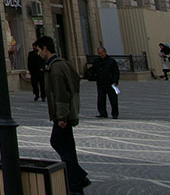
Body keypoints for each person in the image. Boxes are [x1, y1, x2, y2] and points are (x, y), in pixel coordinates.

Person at [35, 36, 89, 195]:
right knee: (68, 148)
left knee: (58, 142)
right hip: (68, 112)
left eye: (38, 50)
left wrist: (62, 117)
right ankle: (77, 180)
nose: (37, 54)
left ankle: (76, 181)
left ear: (45, 48)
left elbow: (60, 94)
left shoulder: (55, 68)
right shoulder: (64, 64)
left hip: (63, 116)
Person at [85, 45, 119, 119]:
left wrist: (115, 81)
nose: (101, 55)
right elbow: (93, 70)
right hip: (100, 83)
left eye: (102, 53)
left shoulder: (111, 61)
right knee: (101, 99)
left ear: (105, 52)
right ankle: (102, 113)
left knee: (113, 100)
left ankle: (115, 114)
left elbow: (116, 72)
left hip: (111, 83)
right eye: (99, 53)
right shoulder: (97, 61)